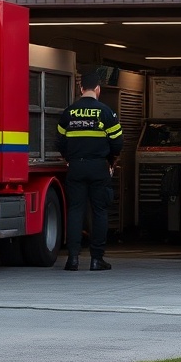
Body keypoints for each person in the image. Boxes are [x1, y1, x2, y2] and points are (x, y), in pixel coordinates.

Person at [57, 70, 123, 272]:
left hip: (76, 167)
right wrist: (110, 162)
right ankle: (96, 259)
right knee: (99, 211)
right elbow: (117, 143)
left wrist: (71, 159)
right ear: (98, 89)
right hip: (98, 167)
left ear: (80, 88)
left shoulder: (68, 112)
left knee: (75, 211)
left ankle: (73, 259)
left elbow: (60, 142)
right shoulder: (106, 112)